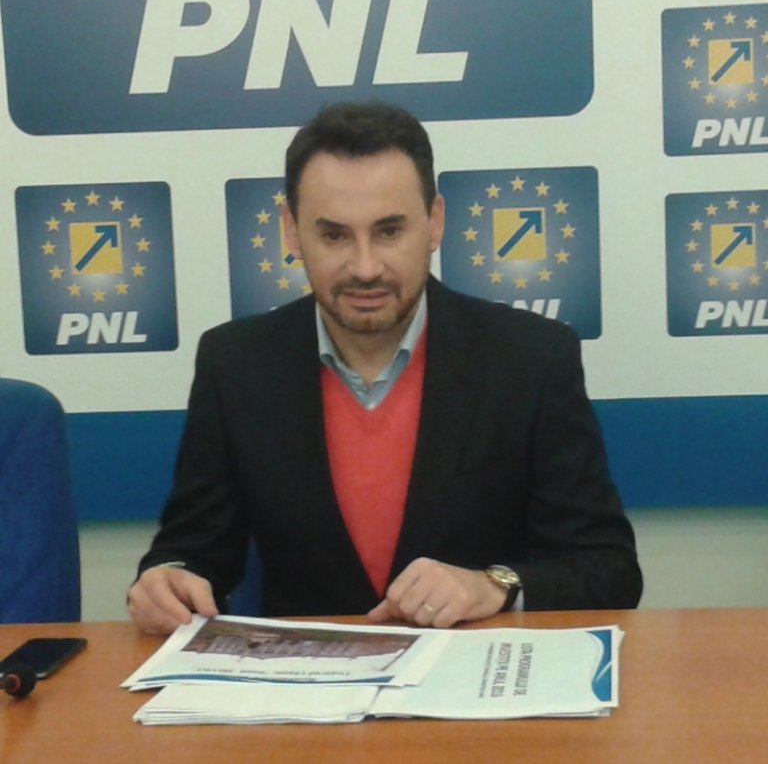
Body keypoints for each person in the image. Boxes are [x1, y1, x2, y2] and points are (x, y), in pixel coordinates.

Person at [128, 102, 642, 635]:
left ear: (435, 222)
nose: (365, 267)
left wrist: (493, 585)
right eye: (334, 236)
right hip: (307, 680)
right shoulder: (235, 364)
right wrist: (169, 580)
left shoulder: (531, 358)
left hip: (473, 675)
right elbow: (193, 550)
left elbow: (609, 570)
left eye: (390, 232)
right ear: (290, 231)